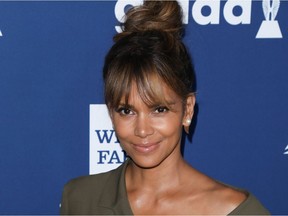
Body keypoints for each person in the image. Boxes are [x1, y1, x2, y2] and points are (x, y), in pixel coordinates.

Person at [60, 1, 270, 215]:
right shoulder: (80, 199)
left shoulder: (236, 211)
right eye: (127, 111)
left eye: (159, 109)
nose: (142, 130)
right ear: (111, 113)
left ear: (187, 110)